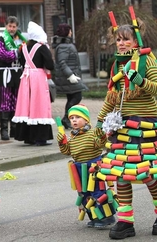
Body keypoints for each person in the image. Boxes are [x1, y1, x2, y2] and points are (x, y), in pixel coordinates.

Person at [96, 13, 157, 239]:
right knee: (121, 174)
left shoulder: (148, 60)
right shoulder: (117, 65)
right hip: (123, 127)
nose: (121, 43)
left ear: (136, 40)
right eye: (118, 40)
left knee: (147, 174)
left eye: (126, 39)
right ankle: (125, 221)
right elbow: (111, 98)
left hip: (146, 125)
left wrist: (139, 80)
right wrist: (100, 123)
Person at [57, 104, 116, 229]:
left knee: (97, 192)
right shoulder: (72, 137)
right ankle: (94, 217)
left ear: (86, 120)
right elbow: (67, 152)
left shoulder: (92, 133)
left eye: (77, 117)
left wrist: (101, 134)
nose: (74, 120)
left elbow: (101, 143)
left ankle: (106, 216)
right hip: (79, 168)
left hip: (93, 167)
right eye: (71, 117)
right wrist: (62, 143)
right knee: (84, 194)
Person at [12, 21, 54, 146]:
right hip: (38, 78)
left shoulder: (23, 47)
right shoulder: (41, 47)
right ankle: (40, 137)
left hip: (26, 77)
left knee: (26, 105)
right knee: (39, 105)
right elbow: (50, 65)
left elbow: (20, 62)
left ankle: (28, 137)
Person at [0, 16, 27, 140]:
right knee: (5, 102)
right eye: (10, 26)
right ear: (6, 26)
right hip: (5, 73)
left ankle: (15, 129)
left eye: (14, 27)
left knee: (16, 102)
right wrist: (17, 53)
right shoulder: (1, 39)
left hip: (17, 73)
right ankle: (4, 130)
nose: (12, 29)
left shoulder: (20, 39)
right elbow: (3, 54)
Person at [52, 23, 87, 130]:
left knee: (72, 97)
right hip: (69, 78)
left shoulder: (65, 45)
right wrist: (70, 75)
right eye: (70, 31)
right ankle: (67, 118)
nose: (71, 33)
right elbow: (62, 63)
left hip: (70, 77)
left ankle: (67, 119)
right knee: (77, 97)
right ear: (66, 32)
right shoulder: (64, 46)